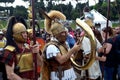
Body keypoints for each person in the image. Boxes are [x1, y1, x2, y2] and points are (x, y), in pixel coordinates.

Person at [41, 10, 81, 80]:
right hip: (59, 76)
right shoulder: (51, 46)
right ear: (56, 34)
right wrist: (73, 50)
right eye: (62, 33)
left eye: (65, 32)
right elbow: (61, 60)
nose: (65, 35)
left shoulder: (65, 44)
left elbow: (69, 58)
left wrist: (75, 50)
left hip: (69, 73)